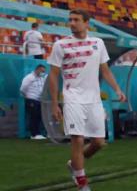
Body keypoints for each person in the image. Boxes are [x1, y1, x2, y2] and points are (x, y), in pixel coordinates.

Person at [47, 10, 127, 191]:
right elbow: (53, 75)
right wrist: (54, 103)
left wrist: (117, 89)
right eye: (70, 20)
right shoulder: (61, 45)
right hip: (72, 98)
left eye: (76, 20)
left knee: (99, 142)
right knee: (78, 140)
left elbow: (105, 71)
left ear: (87, 23)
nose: (72, 23)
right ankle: (82, 184)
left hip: (94, 100)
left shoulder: (97, 43)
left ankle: (74, 165)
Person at [19, 64, 46, 139]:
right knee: (34, 116)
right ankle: (34, 134)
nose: (43, 72)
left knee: (39, 116)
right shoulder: (29, 77)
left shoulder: (42, 78)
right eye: (42, 71)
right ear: (37, 69)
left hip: (40, 100)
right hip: (31, 99)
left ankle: (38, 133)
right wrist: (27, 97)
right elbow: (22, 89)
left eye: (44, 71)